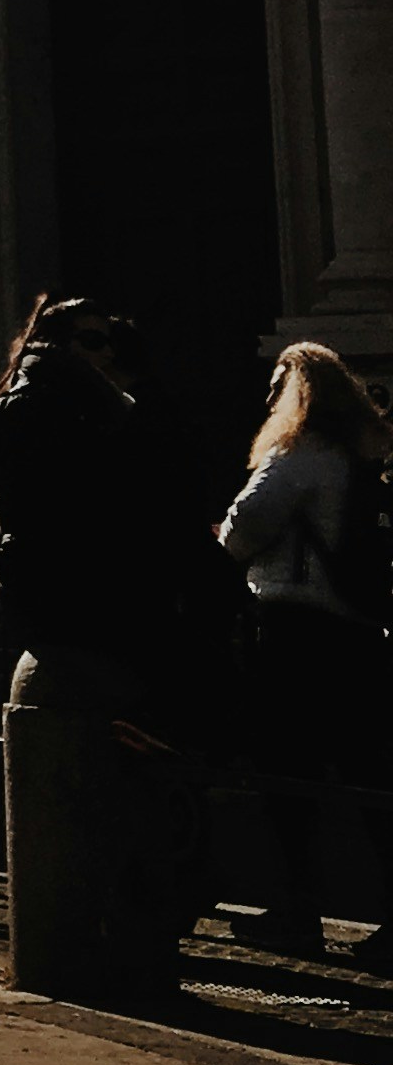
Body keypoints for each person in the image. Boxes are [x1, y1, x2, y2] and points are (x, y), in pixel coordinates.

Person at [0, 293, 239, 746]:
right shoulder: (48, 407)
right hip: (74, 588)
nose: (108, 353)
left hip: (77, 581)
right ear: (57, 345)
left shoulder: (72, 401)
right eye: (93, 341)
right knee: (197, 672)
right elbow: (89, 500)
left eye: (108, 341)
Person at [215, 341, 393, 966]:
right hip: (356, 629)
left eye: (276, 386)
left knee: (286, 775)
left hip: (294, 628)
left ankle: (296, 912)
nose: (267, 399)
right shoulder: (357, 458)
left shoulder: (298, 454)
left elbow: (243, 530)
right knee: (369, 774)